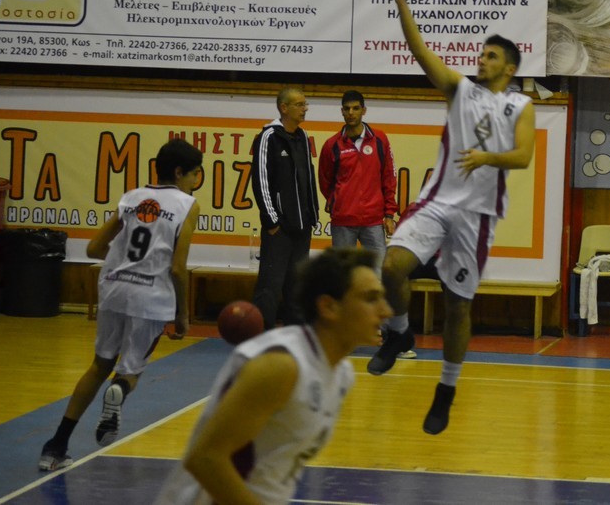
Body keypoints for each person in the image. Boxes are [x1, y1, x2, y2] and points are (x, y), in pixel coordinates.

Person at [367, 0, 536, 435]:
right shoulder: (460, 90)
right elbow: (418, 49)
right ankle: (399, 333)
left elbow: (523, 156)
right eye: (481, 53)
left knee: (457, 307)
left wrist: (488, 157)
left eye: (492, 55)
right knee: (392, 266)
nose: (482, 59)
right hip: (437, 202)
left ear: (509, 68)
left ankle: (446, 389)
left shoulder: (520, 106)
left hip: (476, 216)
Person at [154, 247, 392, 505]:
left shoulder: (341, 373)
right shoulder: (282, 366)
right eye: (371, 298)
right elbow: (205, 459)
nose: (385, 311)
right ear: (329, 307)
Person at [38, 138, 202, 471]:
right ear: (179, 172)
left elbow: (94, 249)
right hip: (150, 296)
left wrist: (123, 261)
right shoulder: (187, 204)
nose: (196, 180)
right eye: (195, 173)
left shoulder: (131, 197)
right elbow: (177, 268)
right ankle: (119, 389)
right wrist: (183, 314)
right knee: (130, 371)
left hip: (113, 289)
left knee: (99, 364)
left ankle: (55, 447)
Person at [319, 89, 414, 359]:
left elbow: (388, 178)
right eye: (346, 109)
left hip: (373, 221)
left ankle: (389, 338)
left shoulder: (380, 140)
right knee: (343, 282)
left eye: (355, 108)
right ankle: (343, 338)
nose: (351, 113)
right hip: (343, 222)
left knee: (381, 279)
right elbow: (325, 180)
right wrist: (338, 202)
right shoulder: (332, 145)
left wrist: (389, 213)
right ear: (341, 111)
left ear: (364, 110)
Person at [251, 86, 320, 329]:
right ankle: (262, 333)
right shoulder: (268, 137)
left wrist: (312, 213)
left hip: (302, 226)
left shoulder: (302, 136)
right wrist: (271, 220)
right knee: (270, 285)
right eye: (300, 104)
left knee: (297, 286)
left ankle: (295, 332)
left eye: (305, 104)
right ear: (284, 108)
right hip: (278, 228)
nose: (305, 109)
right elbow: (260, 180)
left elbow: (308, 176)